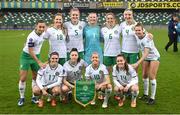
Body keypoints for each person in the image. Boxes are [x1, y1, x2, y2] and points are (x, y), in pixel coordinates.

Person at [17, 20, 46, 106]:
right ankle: (22, 97)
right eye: (39, 27)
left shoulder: (44, 33)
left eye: (43, 27)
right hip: (26, 56)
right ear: (36, 27)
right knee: (23, 78)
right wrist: (39, 62)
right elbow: (30, 51)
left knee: (35, 77)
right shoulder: (31, 36)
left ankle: (33, 97)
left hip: (36, 56)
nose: (41, 28)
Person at [133, 23, 160, 105]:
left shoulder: (147, 38)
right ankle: (145, 94)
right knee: (144, 75)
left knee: (152, 76)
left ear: (143, 30)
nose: (138, 32)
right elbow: (133, 23)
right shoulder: (136, 35)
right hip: (146, 58)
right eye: (136, 30)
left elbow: (146, 53)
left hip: (154, 57)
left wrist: (137, 63)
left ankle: (152, 98)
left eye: (139, 30)